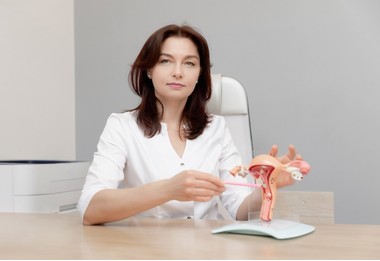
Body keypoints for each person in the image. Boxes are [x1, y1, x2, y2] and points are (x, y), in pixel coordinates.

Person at [77, 24, 302, 225]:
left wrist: (266, 185)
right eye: (165, 61)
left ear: (199, 74)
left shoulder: (217, 128)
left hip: (208, 252)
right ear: (148, 70)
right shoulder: (122, 127)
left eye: (190, 63)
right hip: (146, 253)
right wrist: (168, 189)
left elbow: (239, 209)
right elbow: (90, 209)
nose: (177, 72)